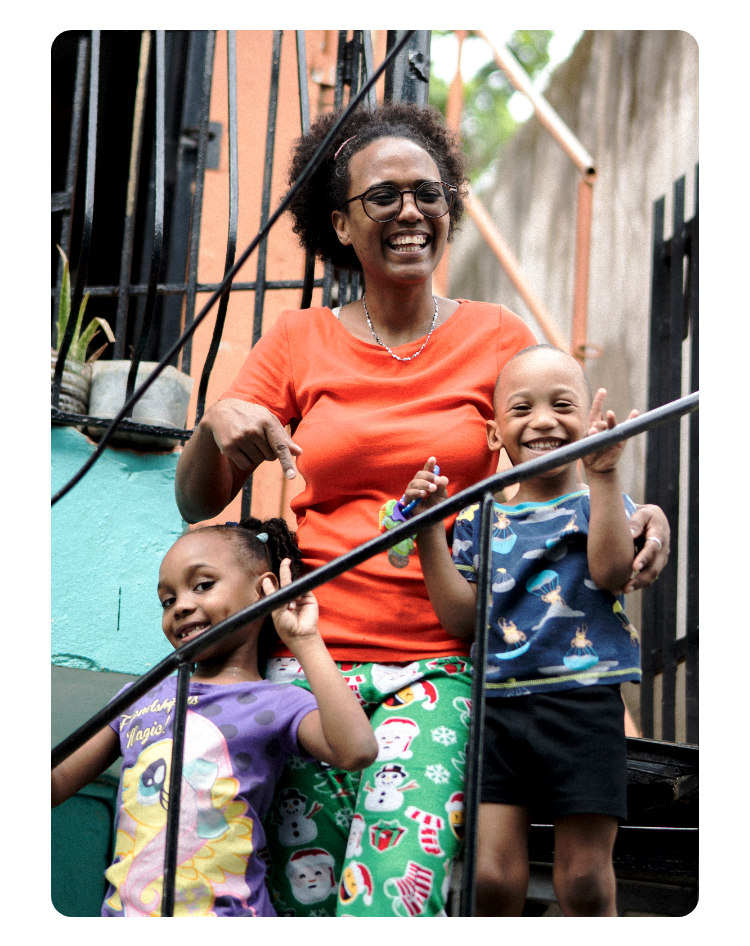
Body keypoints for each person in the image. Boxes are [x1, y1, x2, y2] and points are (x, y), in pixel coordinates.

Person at [174, 102, 670, 917]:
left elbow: (561, 452)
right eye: (384, 197)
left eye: (429, 193)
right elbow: (199, 497)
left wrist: (641, 509)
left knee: (392, 896)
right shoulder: (297, 342)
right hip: (311, 665)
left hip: (441, 665)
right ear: (340, 221)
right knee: (306, 891)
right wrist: (213, 424)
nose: (411, 211)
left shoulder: (496, 335)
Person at [402, 344, 644, 916]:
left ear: (587, 421)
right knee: (490, 880)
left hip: (583, 708)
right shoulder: (476, 519)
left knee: (584, 879)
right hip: (497, 711)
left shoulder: (600, 503)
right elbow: (463, 620)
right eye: (521, 409)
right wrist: (429, 534)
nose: (542, 420)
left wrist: (605, 476)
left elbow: (612, 572)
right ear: (494, 435)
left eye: (563, 405)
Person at [51, 516, 378, 917]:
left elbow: (357, 751)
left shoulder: (277, 701)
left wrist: (304, 639)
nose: (182, 605)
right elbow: (58, 781)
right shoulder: (140, 697)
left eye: (202, 585)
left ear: (265, 592)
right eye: (167, 601)